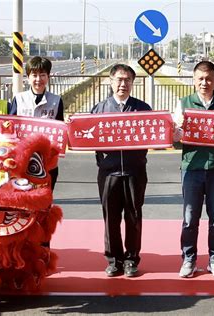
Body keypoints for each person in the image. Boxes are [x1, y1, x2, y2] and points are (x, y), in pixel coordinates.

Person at [173, 61, 214, 278]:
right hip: (191, 167)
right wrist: (176, 133)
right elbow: (175, 141)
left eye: (209, 78)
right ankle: (188, 259)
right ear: (193, 80)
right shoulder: (183, 104)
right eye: (200, 78)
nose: (204, 83)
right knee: (190, 218)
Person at [90, 64, 151, 278]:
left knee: (133, 216)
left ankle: (131, 259)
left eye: (127, 80)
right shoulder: (99, 109)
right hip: (109, 173)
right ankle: (114, 260)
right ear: (110, 81)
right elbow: (87, 138)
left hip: (135, 172)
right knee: (111, 218)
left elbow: (154, 135)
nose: (122, 84)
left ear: (133, 83)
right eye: (118, 79)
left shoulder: (143, 109)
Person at [9, 56, 64, 190]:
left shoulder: (56, 100)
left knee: (45, 200)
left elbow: (61, 129)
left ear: (48, 77)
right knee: (24, 201)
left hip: (47, 161)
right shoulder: (19, 99)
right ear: (28, 77)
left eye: (42, 75)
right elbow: (10, 126)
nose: (38, 79)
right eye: (34, 75)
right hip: (23, 160)